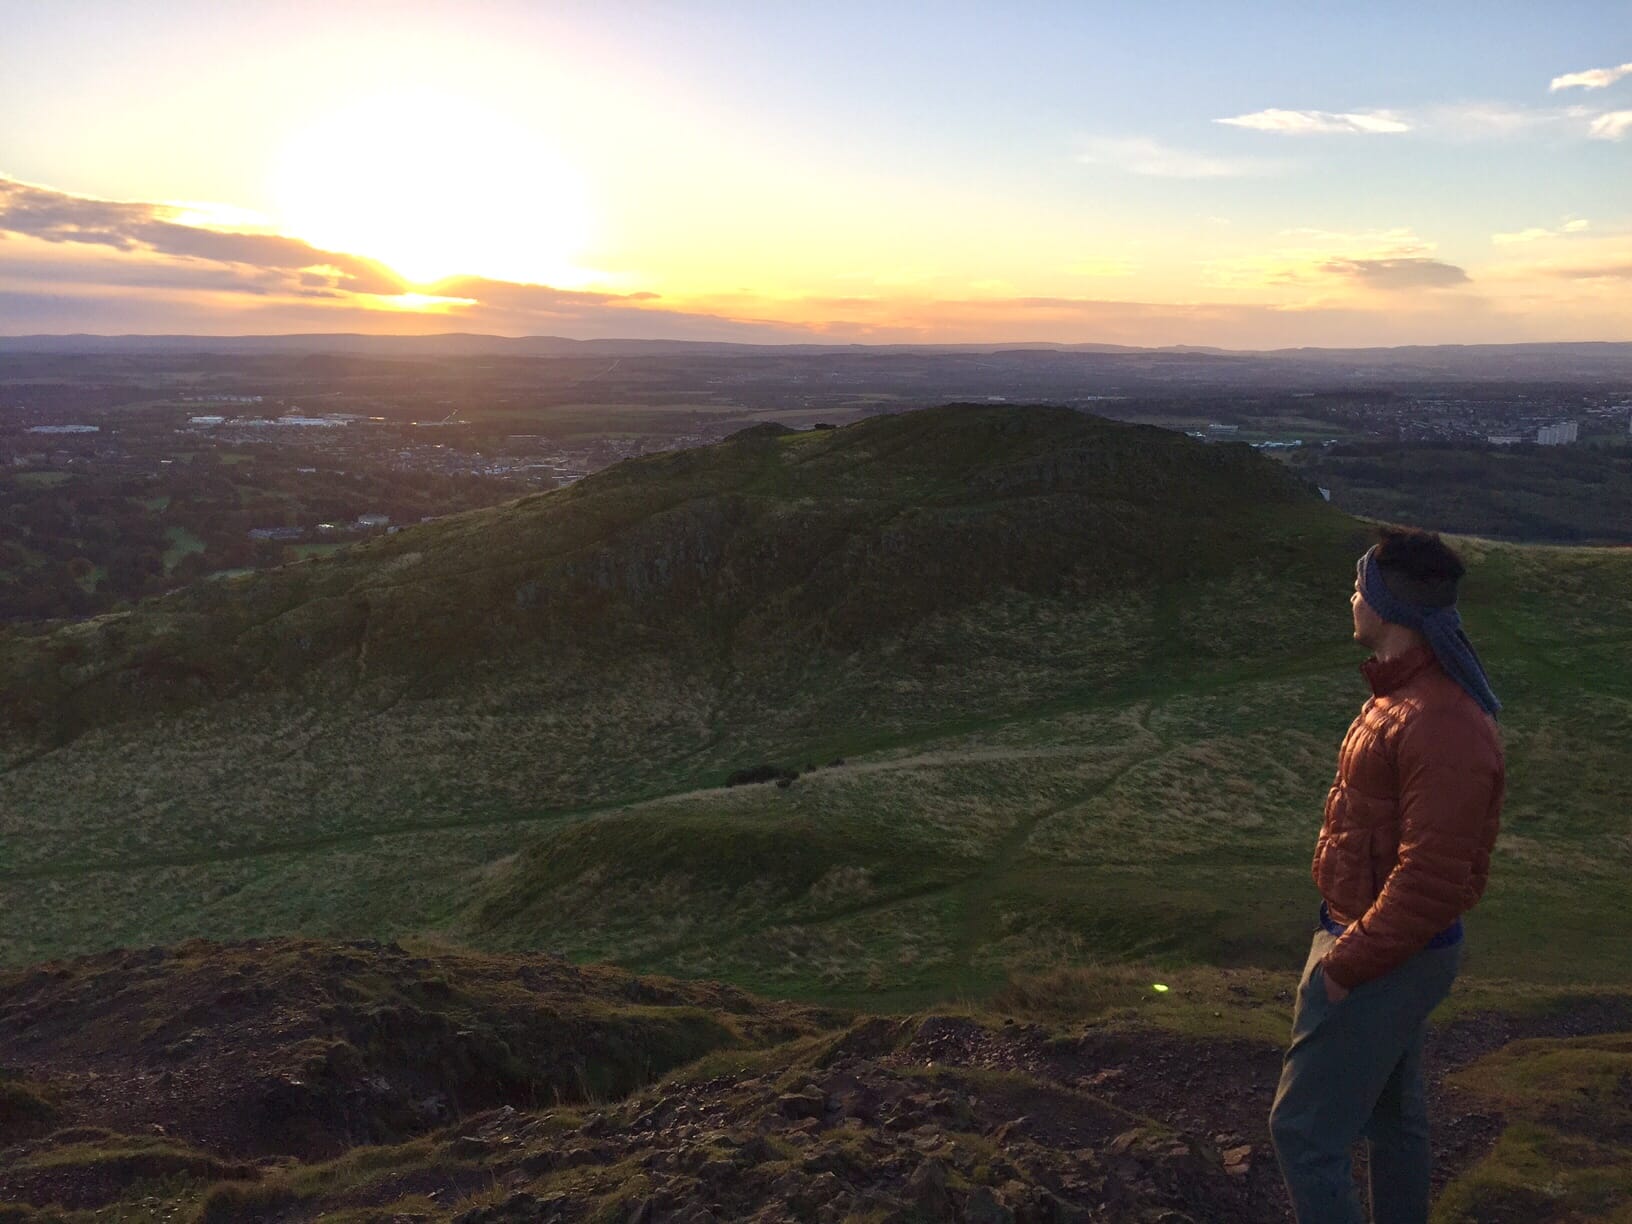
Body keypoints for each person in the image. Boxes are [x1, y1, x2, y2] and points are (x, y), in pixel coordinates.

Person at [1269, 527, 1505, 1224]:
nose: (1350, 597)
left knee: (1303, 1133)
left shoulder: (1439, 723)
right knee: (1392, 1122)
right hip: (1384, 945)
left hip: (1381, 955)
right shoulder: (1408, 699)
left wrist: (1346, 966)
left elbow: (1431, 878)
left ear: (1388, 606)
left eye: (1358, 587)